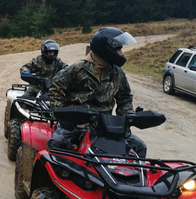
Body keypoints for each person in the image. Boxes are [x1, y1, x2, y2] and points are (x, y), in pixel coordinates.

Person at [47, 27, 147, 157]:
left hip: (105, 125)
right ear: (106, 49)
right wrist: (62, 116)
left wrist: (126, 121)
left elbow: (125, 98)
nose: (121, 53)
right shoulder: (78, 69)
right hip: (76, 124)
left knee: (139, 147)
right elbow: (56, 89)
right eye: (118, 49)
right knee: (55, 144)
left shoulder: (117, 73)